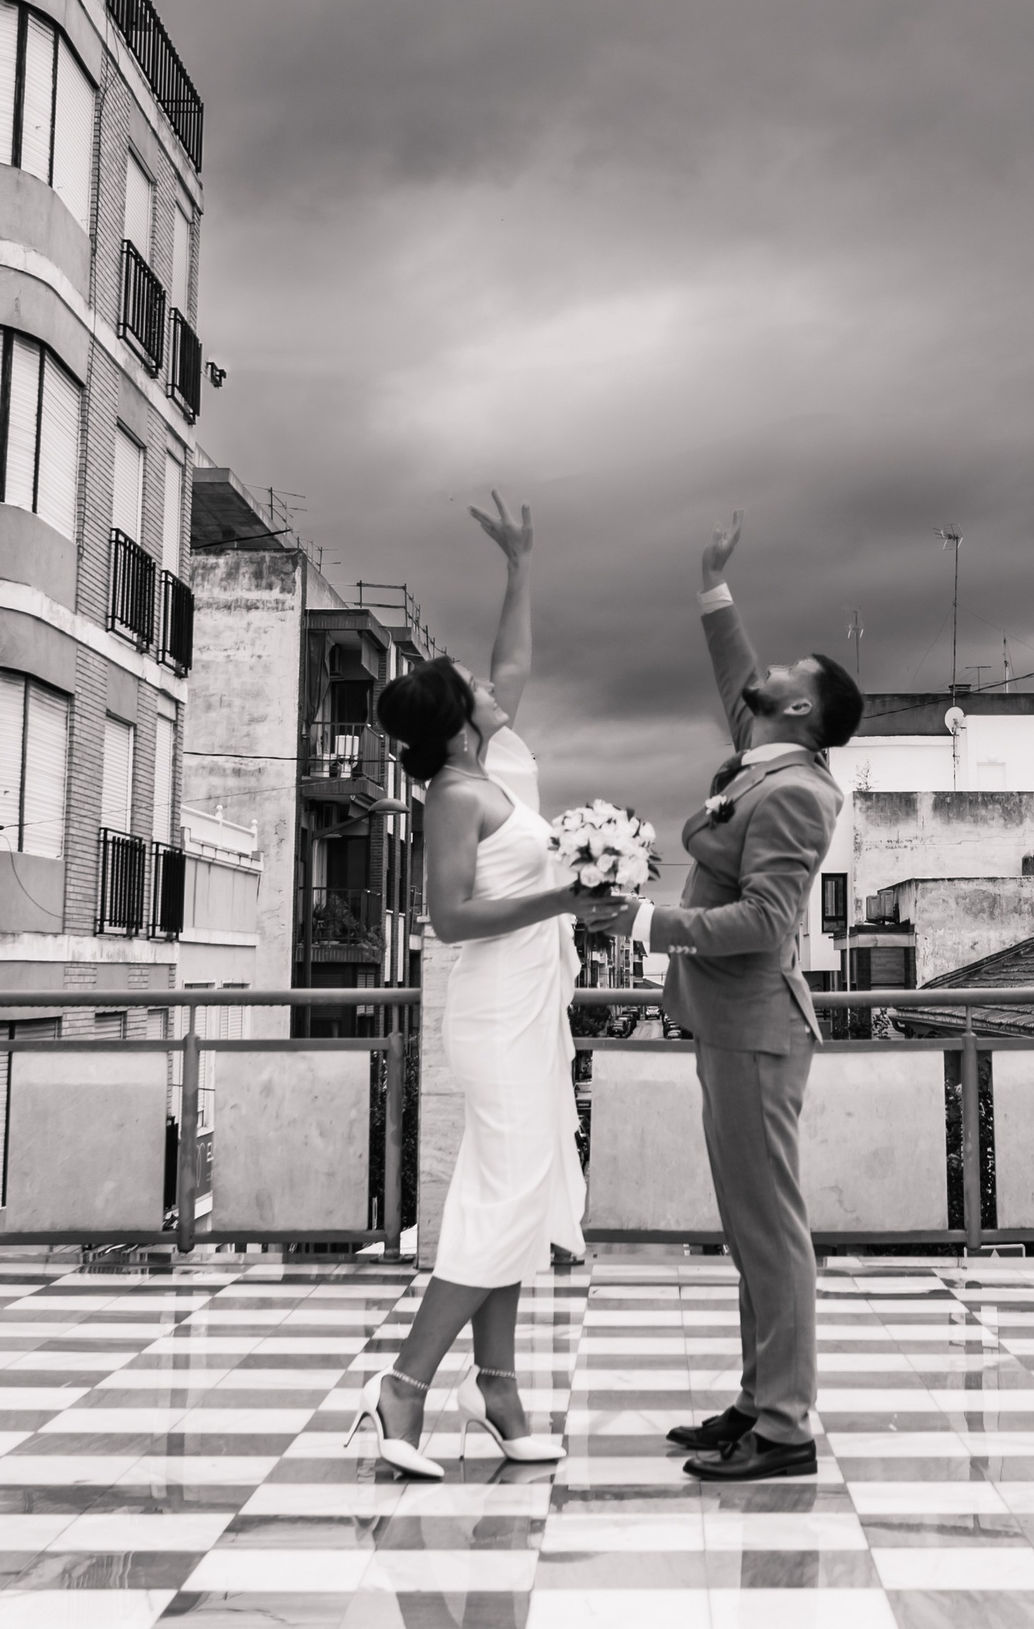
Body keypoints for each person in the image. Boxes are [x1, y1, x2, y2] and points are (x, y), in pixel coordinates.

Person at [349, 496, 620, 1480]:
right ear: (459, 722)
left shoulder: (498, 764)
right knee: (506, 1194)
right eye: (471, 687)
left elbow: (513, 666)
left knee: (515, 1192)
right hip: (494, 1007)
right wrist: (563, 896)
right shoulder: (456, 795)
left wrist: (520, 567)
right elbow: (453, 918)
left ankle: (497, 1388)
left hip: (533, 1001)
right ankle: (405, 1386)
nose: (490, 685)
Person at [610, 512, 862, 1484]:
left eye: (789, 672)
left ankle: (787, 1428)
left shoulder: (796, 792)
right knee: (748, 1229)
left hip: (758, 1031)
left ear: (801, 710)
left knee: (770, 1231)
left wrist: (648, 924)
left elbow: (765, 921)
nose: (770, 672)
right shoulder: (764, 754)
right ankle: (759, 1401)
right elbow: (737, 677)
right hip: (728, 1026)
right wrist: (713, 586)